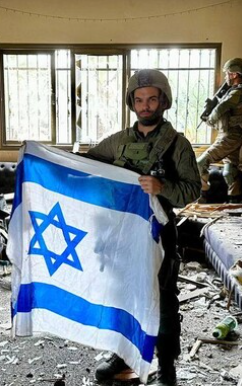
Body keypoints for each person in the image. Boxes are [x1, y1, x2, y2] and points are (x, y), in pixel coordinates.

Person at [86, 69, 201, 386]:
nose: (145, 105)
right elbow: (89, 165)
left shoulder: (177, 145)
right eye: (139, 99)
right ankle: (123, 357)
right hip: (122, 231)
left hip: (158, 232)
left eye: (152, 98)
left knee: (161, 299)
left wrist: (161, 186)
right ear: (131, 103)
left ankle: (167, 367)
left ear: (163, 101)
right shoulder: (119, 141)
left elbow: (192, 190)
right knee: (122, 295)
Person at [197, 57, 242, 202]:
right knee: (229, 170)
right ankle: (235, 200)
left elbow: (222, 108)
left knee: (199, 164)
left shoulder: (238, 92)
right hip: (232, 135)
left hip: (229, 136)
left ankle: (203, 197)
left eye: (227, 73)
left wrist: (209, 118)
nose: (226, 77)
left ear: (234, 74)